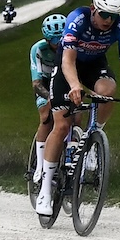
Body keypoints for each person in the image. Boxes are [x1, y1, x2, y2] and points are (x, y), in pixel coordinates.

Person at [36, 0, 120, 220]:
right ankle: (45, 188)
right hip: (67, 67)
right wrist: (74, 85)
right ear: (94, 8)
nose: (108, 21)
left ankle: (93, 139)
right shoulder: (78, 19)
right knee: (61, 125)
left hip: (95, 65)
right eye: (104, 14)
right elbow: (67, 60)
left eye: (114, 16)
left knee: (107, 91)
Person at [27, 14, 69, 190]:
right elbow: (36, 84)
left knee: (76, 115)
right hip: (44, 83)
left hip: (63, 81)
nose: (58, 42)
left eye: (61, 37)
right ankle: (39, 167)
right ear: (46, 38)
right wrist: (51, 98)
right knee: (46, 116)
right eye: (54, 38)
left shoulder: (70, 47)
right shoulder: (38, 49)